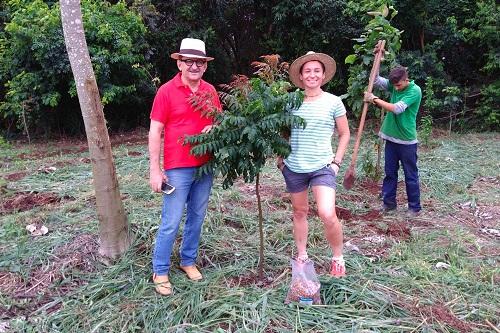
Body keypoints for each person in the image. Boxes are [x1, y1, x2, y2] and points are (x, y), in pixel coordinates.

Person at [149, 38, 221, 296]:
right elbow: (155, 130)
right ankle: (160, 269)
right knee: (171, 220)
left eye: (199, 62)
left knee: (197, 217)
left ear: (205, 66)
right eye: (188, 61)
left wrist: (216, 127)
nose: (194, 66)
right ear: (179, 63)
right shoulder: (166, 92)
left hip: (205, 166)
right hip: (178, 167)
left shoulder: (210, 91)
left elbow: (219, 120)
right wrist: (155, 170)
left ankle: (188, 260)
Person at [279, 51, 350, 277]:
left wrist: (336, 162)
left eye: (316, 71)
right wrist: (280, 159)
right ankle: (302, 256)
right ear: (300, 76)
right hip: (295, 167)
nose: (312, 75)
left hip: (322, 167)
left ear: (323, 75)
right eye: (307, 71)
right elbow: (283, 131)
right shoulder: (291, 102)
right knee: (300, 212)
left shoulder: (333, 102)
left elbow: (345, 133)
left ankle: (338, 257)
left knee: (327, 213)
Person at [364, 61, 422, 215]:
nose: (395, 88)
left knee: (410, 175)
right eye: (394, 85)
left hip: (407, 141)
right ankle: (389, 204)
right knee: (390, 172)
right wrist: (377, 59)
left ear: (405, 79)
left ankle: (414, 208)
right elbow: (375, 80)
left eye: (398, 85)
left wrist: (374, 99)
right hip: (391, 139)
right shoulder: (394, 84)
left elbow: (397, 109)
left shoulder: (415, 91)